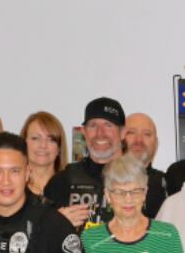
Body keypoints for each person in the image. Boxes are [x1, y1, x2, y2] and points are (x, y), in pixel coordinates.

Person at [44, 97, 125, 230]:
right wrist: (56, 222)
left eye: (108, 125)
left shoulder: (142, 182)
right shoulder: (61, 182)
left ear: (123, 132)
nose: (100, 133)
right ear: (84, 132)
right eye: (93, 125)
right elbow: (39, 237)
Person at [122, 112, 169, 217]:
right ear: (120, 138)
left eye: (147, 134)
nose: (139, 140)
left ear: (156, 143)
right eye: (131, 132)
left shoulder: (168, 184)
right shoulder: (105, 179)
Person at [19, 110, 68, 198]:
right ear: (24, 143)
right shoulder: (12, 188)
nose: (43, 145)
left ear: (59, 148)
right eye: (35, 138)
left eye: (51, 139)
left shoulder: (71, 189)